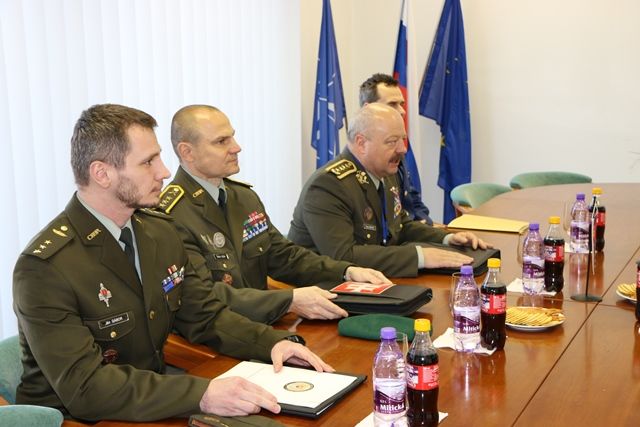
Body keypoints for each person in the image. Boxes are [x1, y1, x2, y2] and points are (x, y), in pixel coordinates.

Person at [12, 104, 333, 423]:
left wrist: (274, 343)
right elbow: (85, 388)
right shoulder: (45, 267)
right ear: (102, 174)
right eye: (147, 162)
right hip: (76, 419)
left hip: (151, 402)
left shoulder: (159, 231)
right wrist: (202, 394)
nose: (164, 172)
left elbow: (204, 316)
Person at [159, 105, 390, 323]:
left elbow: (283, 256)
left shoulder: (243, 197)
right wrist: (289, 300)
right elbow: (206, 295)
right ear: (187, 152)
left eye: (232, 137)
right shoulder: (170, 216)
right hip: (216, 334)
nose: (236, 147)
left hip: (264, 323)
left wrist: (345, 272)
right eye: (221, 141)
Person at [288, 103, 491, 277]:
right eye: (392, 141)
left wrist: (446, 238)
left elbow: (399, 225)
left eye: (402, 139)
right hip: (324, 289)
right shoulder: (328, 186)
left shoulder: (385, 170)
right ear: (361, 143)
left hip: (373, 279)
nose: (402, 149)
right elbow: (343, 256)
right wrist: (419, 257)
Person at [359, 73, 433, 225]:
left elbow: (412, 200)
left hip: (409, 230)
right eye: (392, 104)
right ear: (368, 109)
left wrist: (426, 225)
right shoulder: (363, 159)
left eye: (401, 104)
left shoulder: (396, 150)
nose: (402, 111)